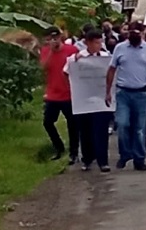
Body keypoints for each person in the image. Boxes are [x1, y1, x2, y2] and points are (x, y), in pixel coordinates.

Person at [106, 22, 146, 171]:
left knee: (140, 128)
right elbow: (111, 69)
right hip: (123, 92)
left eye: (138, 33)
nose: (134, 36)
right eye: (132, 33)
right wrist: (108, 91)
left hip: (141, 93)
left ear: (143, 33)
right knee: (122, 124)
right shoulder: (120, 48)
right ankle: (125, 154)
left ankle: (139, 158)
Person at [64, 30, 112, 172]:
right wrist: (75, 88)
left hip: (101, 99)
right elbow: (66, 72)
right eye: (96, 42)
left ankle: (103, 161)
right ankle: (87, 159)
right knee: (85, 131)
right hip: (83, 100)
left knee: (101, 131)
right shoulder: (76, 59)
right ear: (88, 43)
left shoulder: (106, 58)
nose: (99, 45)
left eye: (100, 42)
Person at [40, 26, 79, 163]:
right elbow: (43, 67)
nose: (54, 41)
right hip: (53, 94)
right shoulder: (45, 51)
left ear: (60, 37)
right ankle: (59, 147)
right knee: (48, 122)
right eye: (50, 38)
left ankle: (74, 152)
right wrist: (51, 51)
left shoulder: (71, 50)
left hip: (69, 93)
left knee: (72, 124)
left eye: (55, 38)